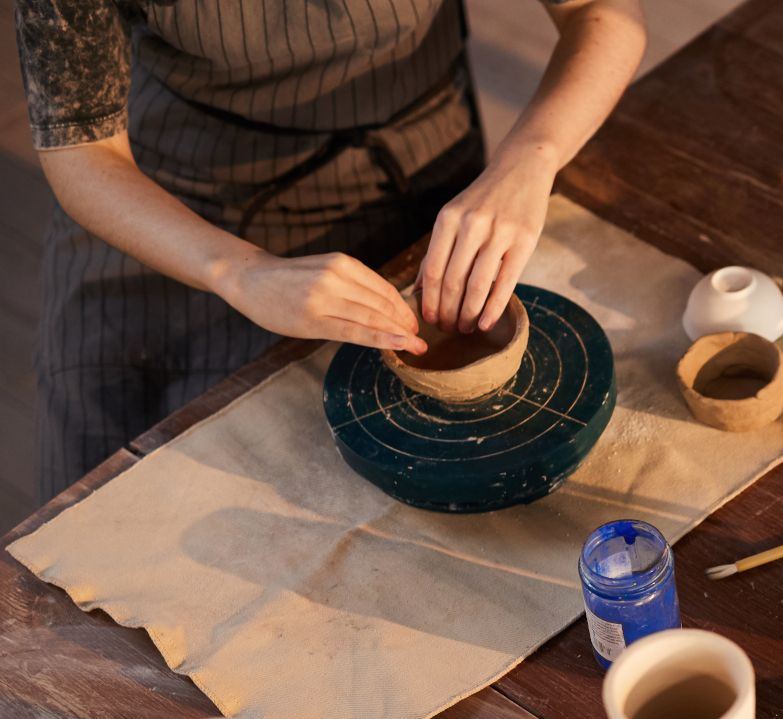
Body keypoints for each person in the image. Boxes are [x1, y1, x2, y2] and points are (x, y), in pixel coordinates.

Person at [16, 0, 648, 498]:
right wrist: (240, 273)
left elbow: (603, 14)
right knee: (108, 501)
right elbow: (83, 157)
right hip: (180, 198)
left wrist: (529, 162)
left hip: (417, 166)